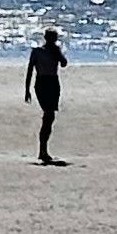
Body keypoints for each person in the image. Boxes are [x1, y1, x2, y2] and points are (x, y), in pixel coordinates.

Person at [24, 29, 71, 165]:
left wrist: (58, 53)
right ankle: (42, 150)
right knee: (48, 115)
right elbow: (30, 70)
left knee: (49, 117)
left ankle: (43, 150)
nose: (53, 40)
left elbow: (64, 63)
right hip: (42, 82)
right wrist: (27, 89)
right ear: (46, 38)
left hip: (53, 82)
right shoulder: (38, 51)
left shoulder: (55, 51)